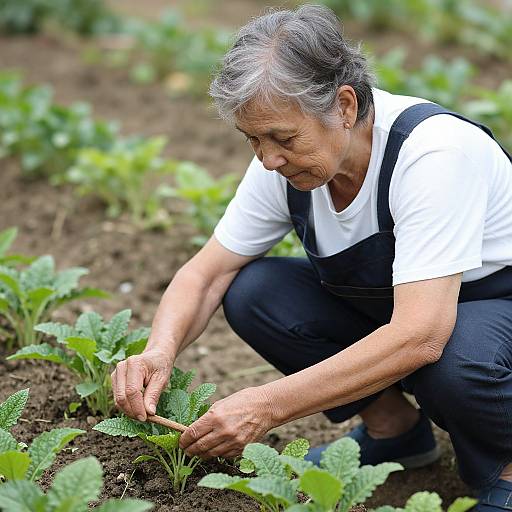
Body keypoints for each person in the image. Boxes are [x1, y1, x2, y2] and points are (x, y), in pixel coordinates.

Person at [111, 5, 512, 510]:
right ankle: (396, 434)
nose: (268, 157)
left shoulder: (433, 155)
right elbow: (206, 273)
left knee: (454, 358)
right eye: (253, 139)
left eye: (282, 137)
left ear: (344, 106)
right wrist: (158, 351)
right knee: (257, 292)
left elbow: (422, 334)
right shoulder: (284, 164)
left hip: (494, 311)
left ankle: (505, 470)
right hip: (414, 308)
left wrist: (266, 405)